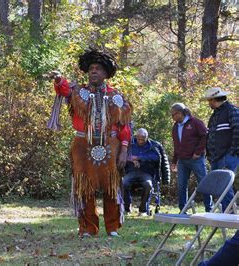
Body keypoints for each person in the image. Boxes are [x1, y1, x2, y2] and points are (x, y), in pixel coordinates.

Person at [47, 50, 132, 237]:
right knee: (84, 187)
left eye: (98, 69)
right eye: (91, 68)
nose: (94, 71)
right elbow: (64, 89)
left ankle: (112, 227)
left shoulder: (117, 96)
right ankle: (88, 228)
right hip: (82, 144)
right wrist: (59, 79)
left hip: (110, 145)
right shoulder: (78, 92)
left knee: (111, 186)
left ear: (106, 73)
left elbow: (124, 126)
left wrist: (124, 150)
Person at [170, 103, 212, 213]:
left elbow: (205, 136)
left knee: (204, 183)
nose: (172, 117)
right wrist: (174, 161)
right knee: (181, 185)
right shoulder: (175, 127)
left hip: (196, 160)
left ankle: (209, 209)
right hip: (182, 161)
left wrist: (198, 152)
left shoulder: (195, 123)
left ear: (179, 113)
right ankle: (183, 209)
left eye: (173, 115)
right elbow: (176, 145)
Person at [202, 87, 238, 212]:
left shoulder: (231, 111)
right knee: (220, 187)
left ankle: (230, 213)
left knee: (225, 185)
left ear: (213, 100)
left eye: (209, 100)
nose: (208, 103)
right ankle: (227, 211)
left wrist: (231, 153)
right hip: (215, 157)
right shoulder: (214, 116)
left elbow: (237, 132)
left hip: (227, 156)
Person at [122, 128, 170, 216]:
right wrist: (132, 160)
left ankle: (143, 210)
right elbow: (123, 155)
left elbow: (156, 157)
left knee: (148, 185)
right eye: (138, 139)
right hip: (131, 172)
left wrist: (139, 157)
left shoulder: (154, 145)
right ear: (136, 136)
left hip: (146, 173)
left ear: (147, 138)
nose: (140, 141)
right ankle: (126, 208)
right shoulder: (130, 144)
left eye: (142, 139)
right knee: (124, 182)